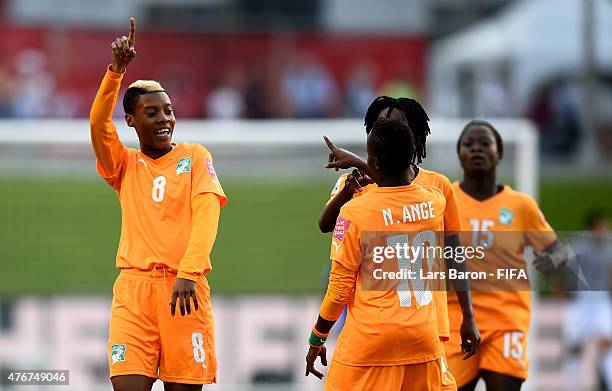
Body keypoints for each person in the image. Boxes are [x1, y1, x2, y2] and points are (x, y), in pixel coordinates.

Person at [90, 18, 227, 391]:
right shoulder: (123, 165)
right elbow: (98, 123)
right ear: (132, 121)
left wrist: (189, 271)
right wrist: (115, 72)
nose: (165, 119)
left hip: (184, 289)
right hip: (133, 293)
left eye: (168, 110)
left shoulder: (196, 157)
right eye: (152, 113)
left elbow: (207, 215)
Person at [320, 96, 481, 390]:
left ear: (413, 134)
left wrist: (468, 315)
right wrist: (354, 179)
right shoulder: (355, 182)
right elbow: (325, 225)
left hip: (428, 323)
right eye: (382, 123)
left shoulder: (438, 186)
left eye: (397, 123)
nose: (390, 127)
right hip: (374, 322)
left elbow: (455, 253)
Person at [306, 118, 449, 390]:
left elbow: (339, 289)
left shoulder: (355, 212)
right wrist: (366, 162)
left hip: (372, 339)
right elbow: (406, 183)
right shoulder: (434, 201)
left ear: (376, 163)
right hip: (422, 338)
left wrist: (317, 337)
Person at [446, 120, 566, 391]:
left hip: (506, 321)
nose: (477, 148)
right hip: (455, 322)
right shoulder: (445, 200)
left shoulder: (520, 206)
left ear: (499, 153)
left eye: (485, 143)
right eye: (469, 144)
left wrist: (555, 263)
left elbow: (555, 251)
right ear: (460, 154)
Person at [563, 211, 612, 391]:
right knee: (574, 346)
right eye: (600, 227)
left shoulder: (609, 246)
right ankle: (571, 385)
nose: (603, 231)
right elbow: (567, 269)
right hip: (582, 300)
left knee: (607, 344)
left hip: (601, 300)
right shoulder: (579, 246)